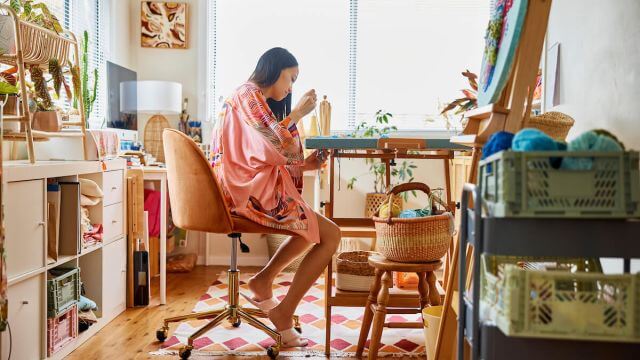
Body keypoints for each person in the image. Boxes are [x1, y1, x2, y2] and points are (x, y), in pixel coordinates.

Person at [209, 47, 341, 347]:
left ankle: (264, 282)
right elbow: (273, 143)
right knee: (330, 235)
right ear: (274, 69)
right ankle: (282, 312)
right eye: (290, 78)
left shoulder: (244, 97)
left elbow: (260, 151)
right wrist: (296, 115)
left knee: (312, 231)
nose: (291, 87)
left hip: (242, 187)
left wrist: (304, 164)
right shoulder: (248, 94)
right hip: (244, 192)